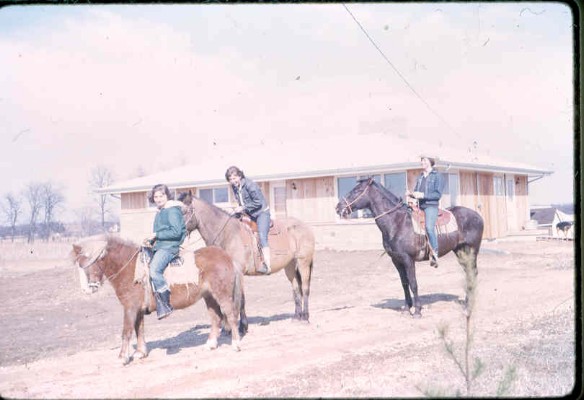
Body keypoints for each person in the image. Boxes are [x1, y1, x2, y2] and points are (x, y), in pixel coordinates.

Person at [143, 183, 187, 319]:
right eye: (155, 196)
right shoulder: (160, 211)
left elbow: (176, 232)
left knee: (154, 271)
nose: (158, 199)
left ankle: (165, 303)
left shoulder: (172, 210)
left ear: (167, 196)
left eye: (161, 196)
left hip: (169, 247)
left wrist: (156, 235)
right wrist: (150, 241)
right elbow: (160, 232)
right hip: (161, 245)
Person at [225, 166, 271, 274]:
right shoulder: (235, 187)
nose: (233, 181)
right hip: (249, 213)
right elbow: (241, 202)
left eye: (234, 178)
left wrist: (243, 208)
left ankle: (267, 265)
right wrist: (238, 211)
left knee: (262, 235)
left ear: (240, 176)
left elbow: (258, 202)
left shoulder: (251, 185)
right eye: (230, 179)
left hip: (261, 213)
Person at [406, 156, 444, 268]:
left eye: (425, 161)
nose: (422, 162)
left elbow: (437, 194)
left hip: (431, 206)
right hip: (420, 205)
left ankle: (435, 253)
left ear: (430, 163)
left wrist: (423, 195)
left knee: (428, 228)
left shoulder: (437, 176)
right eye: (422, 161)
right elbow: (417, 192)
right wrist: (411, 195)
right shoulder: (421, 177)